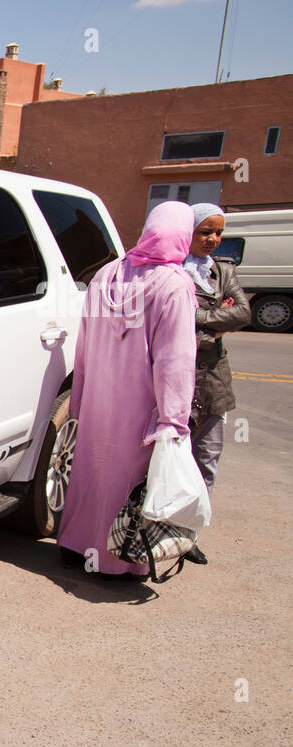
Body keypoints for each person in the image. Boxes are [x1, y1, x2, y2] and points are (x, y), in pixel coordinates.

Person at [57, 201, 198, 579]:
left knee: (90, 473)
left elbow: (84, 345)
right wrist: (174, 419)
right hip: (141, 407)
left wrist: (80, 400)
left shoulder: (106, 274)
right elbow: (176, 360)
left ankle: (76, 544)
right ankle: (116, 559)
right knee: (129, 483)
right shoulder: (175, 285)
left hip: (99, 402)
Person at [180, 202, 250, 565]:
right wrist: (216, 322)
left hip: (214, 382)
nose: (213, 239)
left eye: (217, 232)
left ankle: (190, 535)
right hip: (178, 378)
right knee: (168, 459)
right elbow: (172, 321)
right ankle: (159, 530)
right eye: (205, 231)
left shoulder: (222, 270)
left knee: (206, 460)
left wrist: (199, 317)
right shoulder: (170, 271)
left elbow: (243, 312)